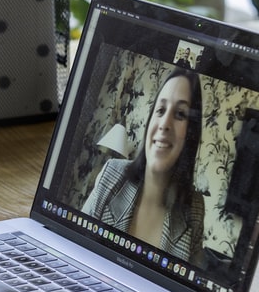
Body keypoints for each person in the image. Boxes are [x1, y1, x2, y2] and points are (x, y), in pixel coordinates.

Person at [83, 65, 206, 265]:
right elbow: (75, 245)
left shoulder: (194, 209)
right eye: (160, 110)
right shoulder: (111, 174)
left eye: (180, 114)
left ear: (191, 134)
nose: (165, 124)